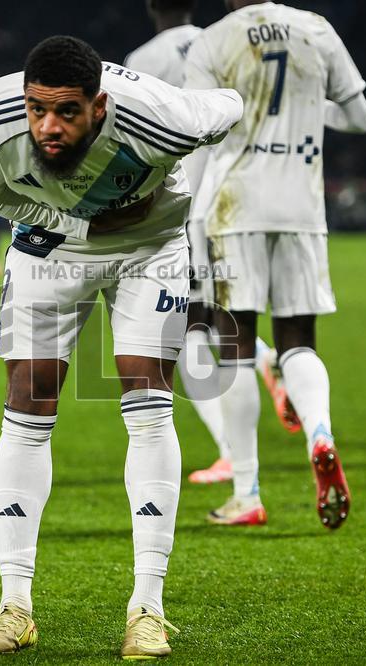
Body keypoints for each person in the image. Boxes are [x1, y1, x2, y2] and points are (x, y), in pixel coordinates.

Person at [0, 36, 243, 658]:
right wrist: (74, 222)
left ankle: (148, 608)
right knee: (28, 400)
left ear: (100, 106)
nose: (48, 127)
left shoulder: (162, 119)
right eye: (37, 110)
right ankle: (14, 605)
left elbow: (232, 102)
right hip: (52, 245)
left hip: (150, 247)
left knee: (147, 399)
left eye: (66, 112)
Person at [184, 0, 366, 528]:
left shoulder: (213, 41)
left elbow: (200, 140)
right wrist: (310, 111)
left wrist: (181, 214)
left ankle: (247, 492)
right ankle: (320, 434)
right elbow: (360, 117)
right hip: (302, 206)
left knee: (236, 349)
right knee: (298, 341)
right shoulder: (317, 27)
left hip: (233, 205)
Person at [125, 1, 236, 484]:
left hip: (177, 210)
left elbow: (134, 142)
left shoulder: (142, 60)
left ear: (152, 7)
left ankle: (233, 452)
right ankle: (276, 364)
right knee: (215, 319)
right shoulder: (221, 44)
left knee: (182, 335)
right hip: (232, 199)